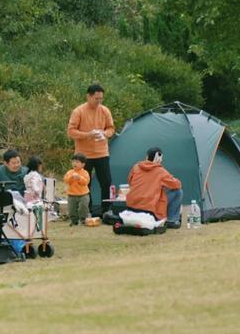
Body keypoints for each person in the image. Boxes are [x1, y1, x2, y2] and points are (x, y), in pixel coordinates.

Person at [67, 84, 115, 214]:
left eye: (101, 99)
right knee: (84, 183)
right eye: (96, 98)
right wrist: (87, 134)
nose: (99, 101)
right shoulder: (79, 111)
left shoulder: (105, 110)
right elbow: (71, 132)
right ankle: (87, 210)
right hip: (83, 155)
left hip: (102, 152)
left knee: (106, 182)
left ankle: (106, 210)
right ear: (88, 96)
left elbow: (111, 128)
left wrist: (105, 134)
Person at [125, 147, 184, 229]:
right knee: (178, 192)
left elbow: (130, 182)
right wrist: (169, 180)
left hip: (130, 208)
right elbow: (177, 185)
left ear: (146, 156)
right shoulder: (160, 171)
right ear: (159, 159)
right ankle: (171, 220)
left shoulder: (136, 167)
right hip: (149, 210)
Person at [63, 153, 91, 226]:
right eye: (73, 161)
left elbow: (86, 182)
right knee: (72, 209)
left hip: (83, 194)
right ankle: (74, 221)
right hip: (72, 194)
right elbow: (66, 180)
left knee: (83, 207)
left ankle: (83, 220)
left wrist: (79, 178)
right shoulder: (70, 172)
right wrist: (71, 177)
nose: (74, 163)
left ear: (83, 164)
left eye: (77, 162)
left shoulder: (85, 173)